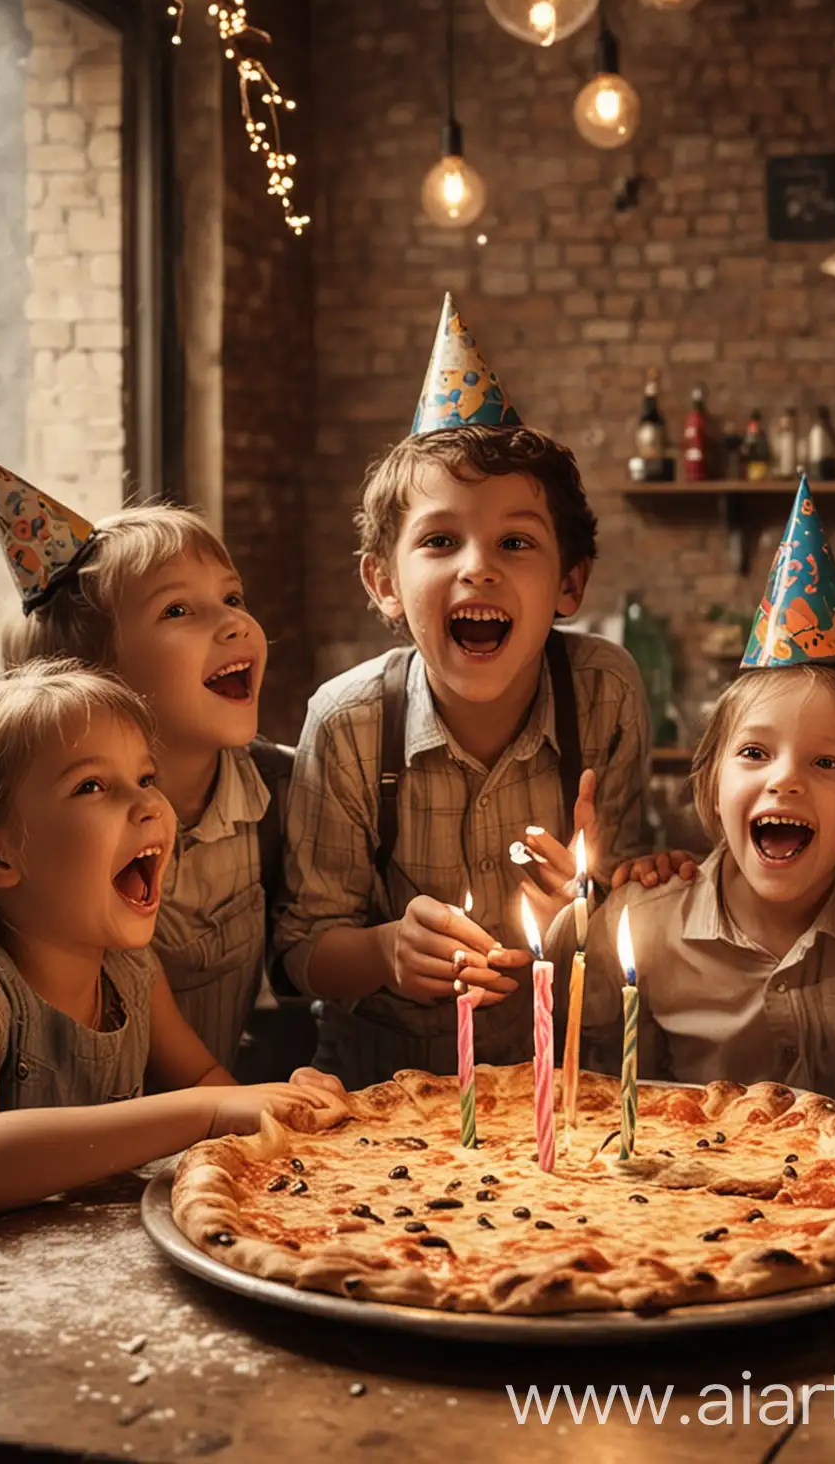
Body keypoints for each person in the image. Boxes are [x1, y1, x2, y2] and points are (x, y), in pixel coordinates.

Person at [0, 661, 338, 1245]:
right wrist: (205, 1111)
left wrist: (279, 1109)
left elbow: (207, 1081)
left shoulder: (130, 969)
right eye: (92, 786)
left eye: (145, 777)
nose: (148, 806)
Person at [273, 296, 651, 1086]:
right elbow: (304, 951)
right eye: (441, 541)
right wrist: (383, 951)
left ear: (569, 583)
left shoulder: (606, 693)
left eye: (515, 542)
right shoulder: (347, 725)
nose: (477, 567)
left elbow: (629, 899)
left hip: (563, 1088)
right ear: (383, 581)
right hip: (381, 1099)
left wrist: (587, 902)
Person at [557, 479, 835, 1107]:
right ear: (711, 784)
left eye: (827, 762)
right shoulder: (641, 921)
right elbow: (612, 1091)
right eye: (755, 753)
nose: (784, 779)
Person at [0, 450, 289, 1074]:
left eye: (233, 596)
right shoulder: (56, 846)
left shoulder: (283, 789)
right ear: (98, 679)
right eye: (178, 610)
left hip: (202, 1130)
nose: (233, 623)